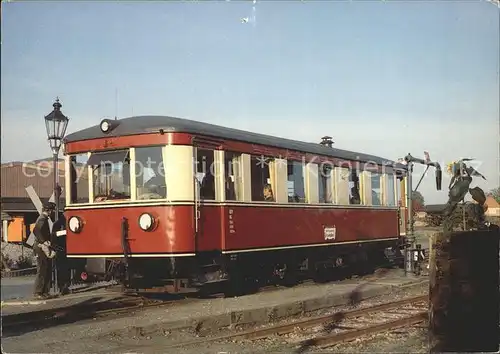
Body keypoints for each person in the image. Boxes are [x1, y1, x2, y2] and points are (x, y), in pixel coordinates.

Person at [33, 202, 56, 299]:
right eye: (53, 211)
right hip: (40, 247)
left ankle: (44, 291)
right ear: (49, 210)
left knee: (46, 268)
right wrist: (44, 241)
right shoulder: (42, 219)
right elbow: (36, 230)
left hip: (42, 246)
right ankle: (38, 292)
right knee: (42, 269)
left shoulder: (44, 218)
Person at [53, 213, 70, 295]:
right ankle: (63, 286)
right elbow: (55, 235)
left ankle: (63, 287)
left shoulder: (57, 224)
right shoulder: (60, 224)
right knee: (64, 269)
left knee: (62, 269)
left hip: (61, 249)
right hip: (63, 249)